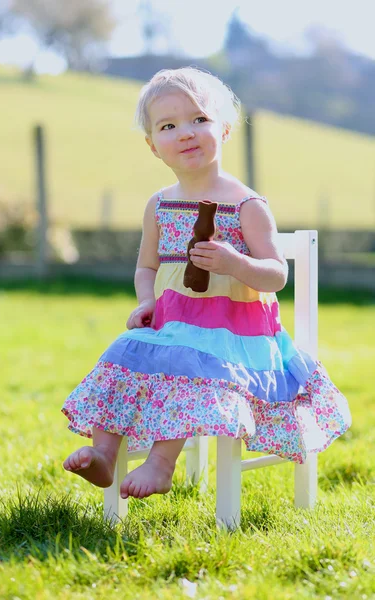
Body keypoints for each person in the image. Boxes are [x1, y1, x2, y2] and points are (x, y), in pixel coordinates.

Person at [62, 67, 351, 500]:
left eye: (199, 119)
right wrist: (146, 301)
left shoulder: (246, 205)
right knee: (121, 355)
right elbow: (146, 267)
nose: (186, 133)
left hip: (238, 335)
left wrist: (235, 262)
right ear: (152, 145)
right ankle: (103, 452)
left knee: (192, 368)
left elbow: (277, 273)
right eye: (168, 126)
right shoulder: (159, 205)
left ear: (225, 129)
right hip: (174, 326)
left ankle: (160, 464)